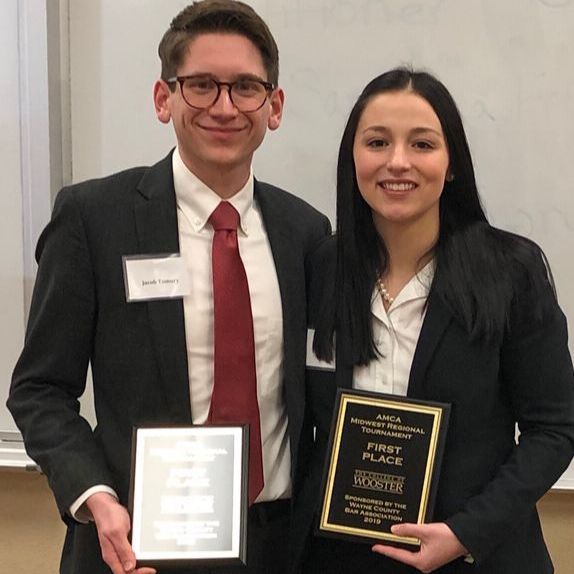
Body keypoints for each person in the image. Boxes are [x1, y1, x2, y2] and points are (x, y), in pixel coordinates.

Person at [7, 2, 330, 574]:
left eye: (246, 87)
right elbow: (40, 390)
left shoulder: (306, 233)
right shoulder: (94, 219)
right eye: (201, 85)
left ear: (273, 106)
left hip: (277, 546)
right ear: (165, 98)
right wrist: (94, 496)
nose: (225, 107)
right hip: (134, 543)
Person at [294, 67, 574, 573]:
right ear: (352, 159)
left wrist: (465, 533)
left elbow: (555, 428)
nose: (397, 162)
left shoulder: (511, 271)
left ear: (451, 165)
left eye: (422, 144)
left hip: (473, 557)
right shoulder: (320, 267)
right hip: (342, 557)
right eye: (377, 142)